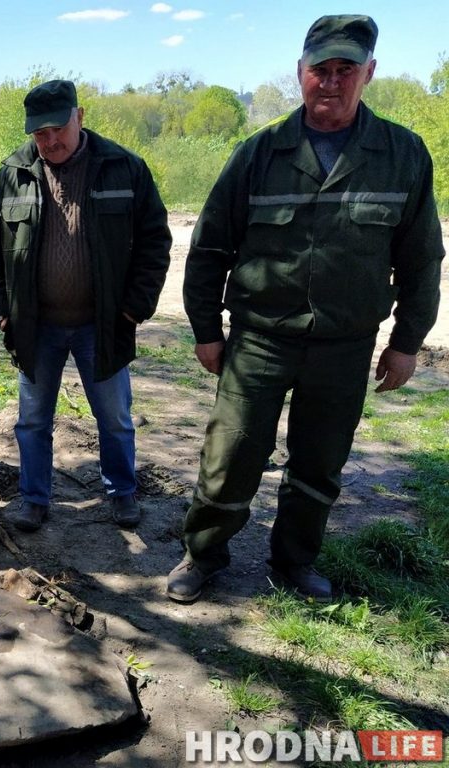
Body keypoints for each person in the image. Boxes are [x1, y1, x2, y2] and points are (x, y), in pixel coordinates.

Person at [168, 15, 444, 603]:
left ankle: (294, 561)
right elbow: (210, 247)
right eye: (321, 69)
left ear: (369, 73)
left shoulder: (402, 154)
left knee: (319, 464)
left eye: (346, 70)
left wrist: (406, 343)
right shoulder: (259, 152)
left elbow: (422, 259)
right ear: (300, 72)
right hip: (259, 341)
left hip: (345, 345)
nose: (332, 82)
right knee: (231, 455)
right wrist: (205, 330)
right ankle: (203, 554)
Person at [0, 79, 172, 532]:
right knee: (32, 420)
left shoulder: (124, 168)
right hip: (35, 326)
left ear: (79, 116)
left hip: (102, 324)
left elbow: (155, 241)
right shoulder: (11, 175)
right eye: (39, 133)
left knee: (115, 418)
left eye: (58, 129)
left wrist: (135, 306)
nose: (50, 141)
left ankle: (122, 492)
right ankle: (33, 499)